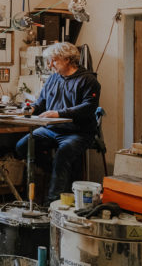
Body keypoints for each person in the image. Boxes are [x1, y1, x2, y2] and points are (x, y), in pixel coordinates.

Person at [15, 42, 100, 202]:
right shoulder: (53, 78)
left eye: (53, 60)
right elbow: (41, 102)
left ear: (67, 59)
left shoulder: (88, 80)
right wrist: (31, 109)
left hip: (78, 132)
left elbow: (89, 107)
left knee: (64, 154)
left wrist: (58, 113)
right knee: (23, 146)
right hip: (52, 130)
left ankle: (51, 204)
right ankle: (57, 171)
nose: (50, 65)